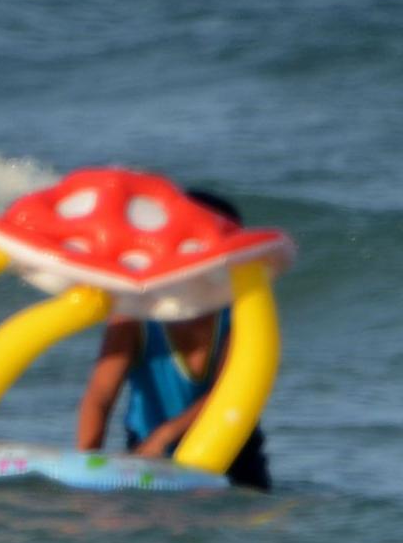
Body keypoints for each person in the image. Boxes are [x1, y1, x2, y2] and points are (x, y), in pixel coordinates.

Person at [72, 187, 271, 490]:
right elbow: (100, 394)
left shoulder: (240, 316)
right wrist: (86, 464)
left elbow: (226, 391)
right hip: (147, 449)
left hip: (232, 450)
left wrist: (165, 436)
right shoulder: (135, 316)